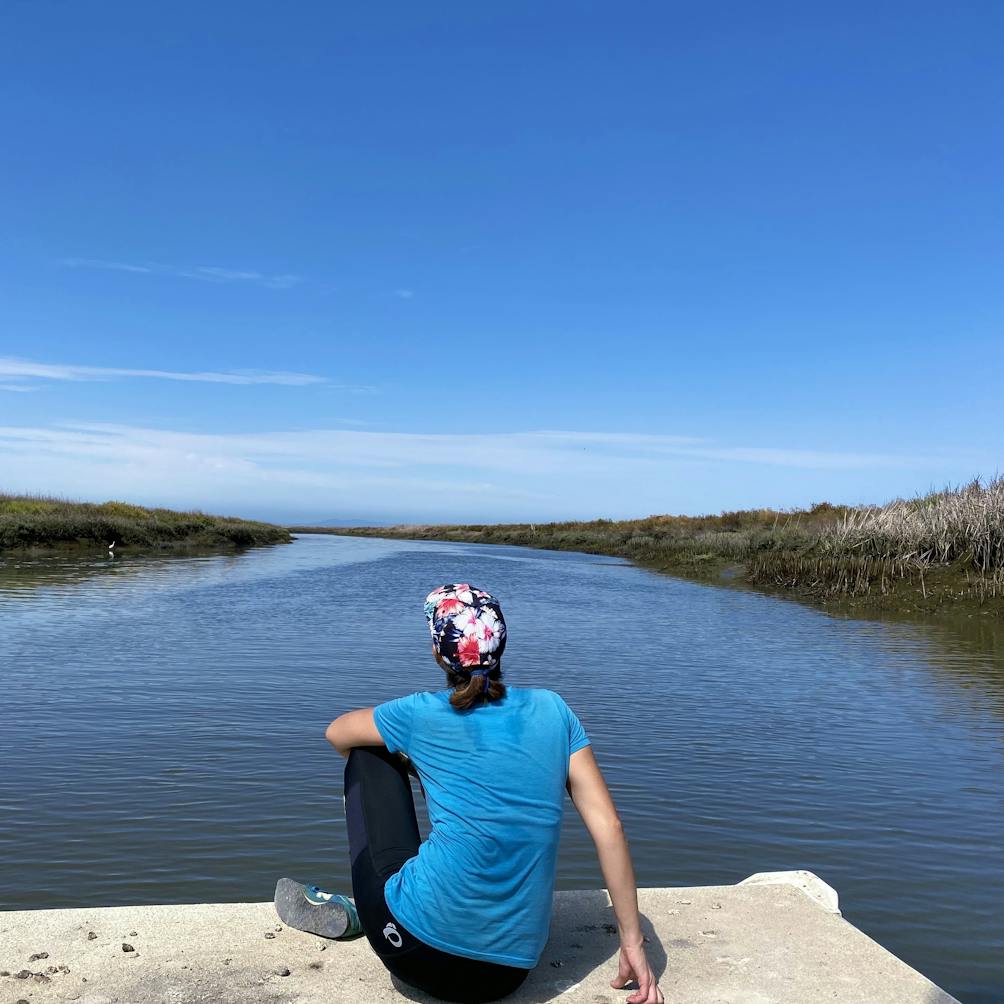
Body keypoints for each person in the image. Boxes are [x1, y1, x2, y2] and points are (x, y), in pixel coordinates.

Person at [278, 583, 663, 1004]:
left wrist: (411, 758)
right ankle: (389, 902)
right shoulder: (554, 710)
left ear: (437, 652)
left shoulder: (419, 712)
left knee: (367, 753)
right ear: (502, 645)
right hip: (508, 974)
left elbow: (336, 733)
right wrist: (632, 944)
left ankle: (361, 913)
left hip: (412, 952)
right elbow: (610, 827)